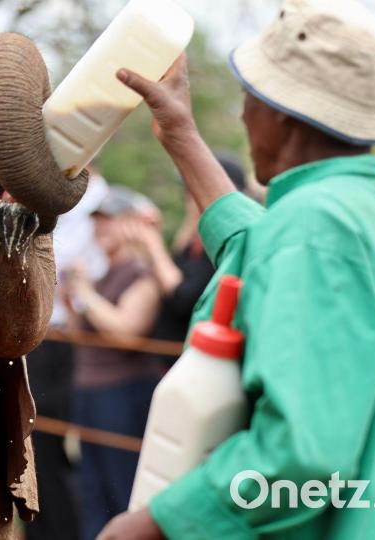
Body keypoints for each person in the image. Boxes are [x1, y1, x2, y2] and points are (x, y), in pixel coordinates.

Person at [100, 0, 375, 538]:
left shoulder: (313, 227)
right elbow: (256, 243)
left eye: (248, 97)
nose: (241, 114)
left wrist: (157, 523)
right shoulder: (371, 214)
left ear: (280, 110)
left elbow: (302, 453)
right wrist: (180, 135)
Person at [63, 187, 164, 540]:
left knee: (123, 491)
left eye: (108, 223)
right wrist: (71, 295)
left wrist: (86, 295)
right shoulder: (102, 276)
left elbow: (127, 332)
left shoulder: (142, 273)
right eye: (97, 224)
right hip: (90, 392)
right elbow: (83, 334)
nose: (100, 230)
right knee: (91, 489)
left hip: (123, 394)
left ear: (129, 225)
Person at [24, 169, 108, 540]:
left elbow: (73, 265)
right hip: (38, 338)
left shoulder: (98, 206)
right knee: (32, 447)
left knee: (52, 449)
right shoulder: (53, 199)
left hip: (66, 341)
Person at [125, 154, 247, 368]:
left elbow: (182, 296)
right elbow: (177, 267)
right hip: (173, 360)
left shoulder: (227, 241)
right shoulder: (198, 239)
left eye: (194, 190)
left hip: (193, 363)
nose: (189, 199)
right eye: (188, 192)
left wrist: (154, 244)